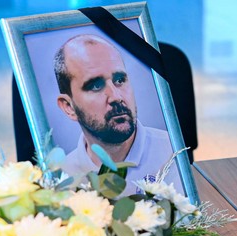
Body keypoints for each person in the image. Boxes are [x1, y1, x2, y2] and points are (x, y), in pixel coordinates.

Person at [53, 34, 180, 194]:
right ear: (69, 107)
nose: (116, 97)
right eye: (96, 86)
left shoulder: (176, 152)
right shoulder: (59, 181)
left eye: (120, 80)